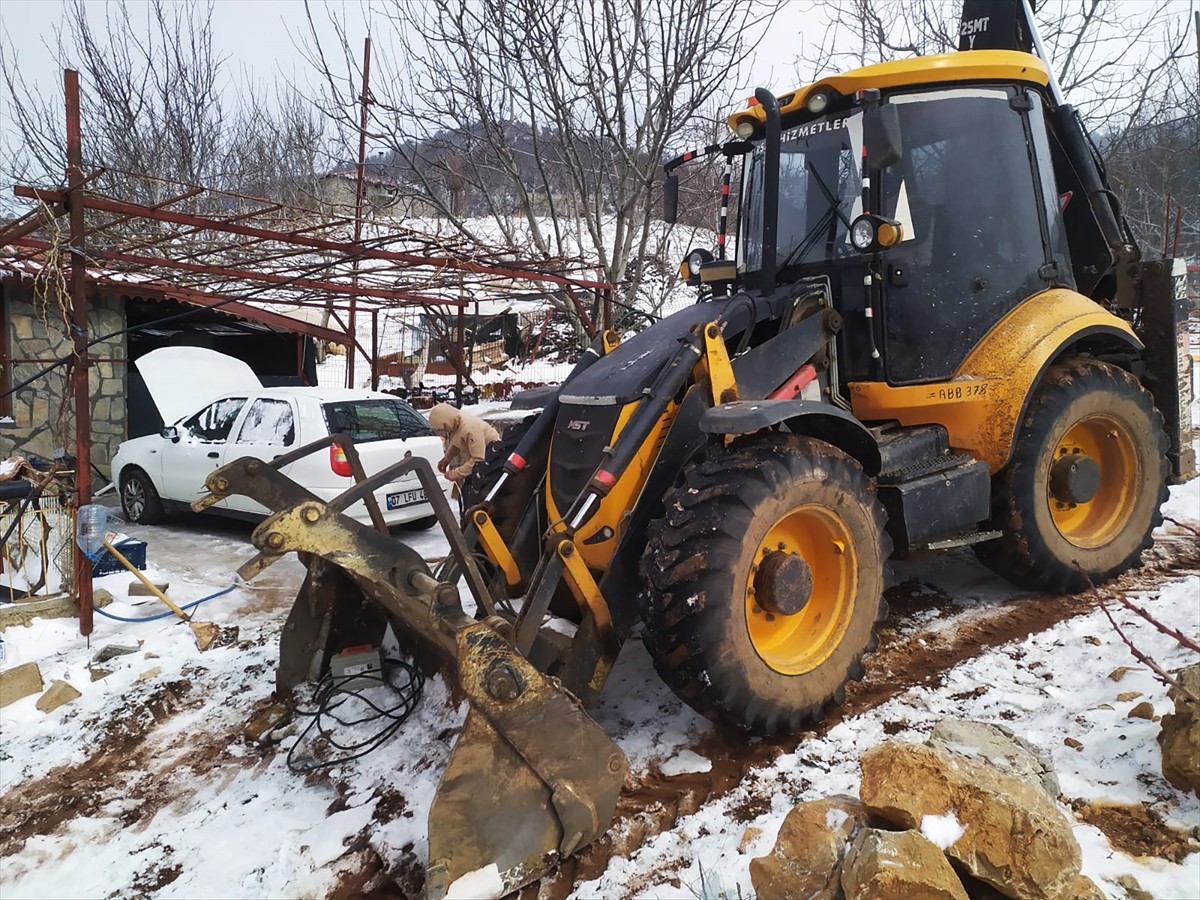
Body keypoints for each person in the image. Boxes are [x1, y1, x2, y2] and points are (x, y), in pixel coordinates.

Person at [428, 403, 500, 487]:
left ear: (446, 424)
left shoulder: (470, 429)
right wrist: (447, 458)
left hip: (492, 462)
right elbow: (457, 441)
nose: (442, 432)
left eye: (441, 429)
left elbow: (478, 459)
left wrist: (455, 474)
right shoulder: (455, 421)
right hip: (479, 465)